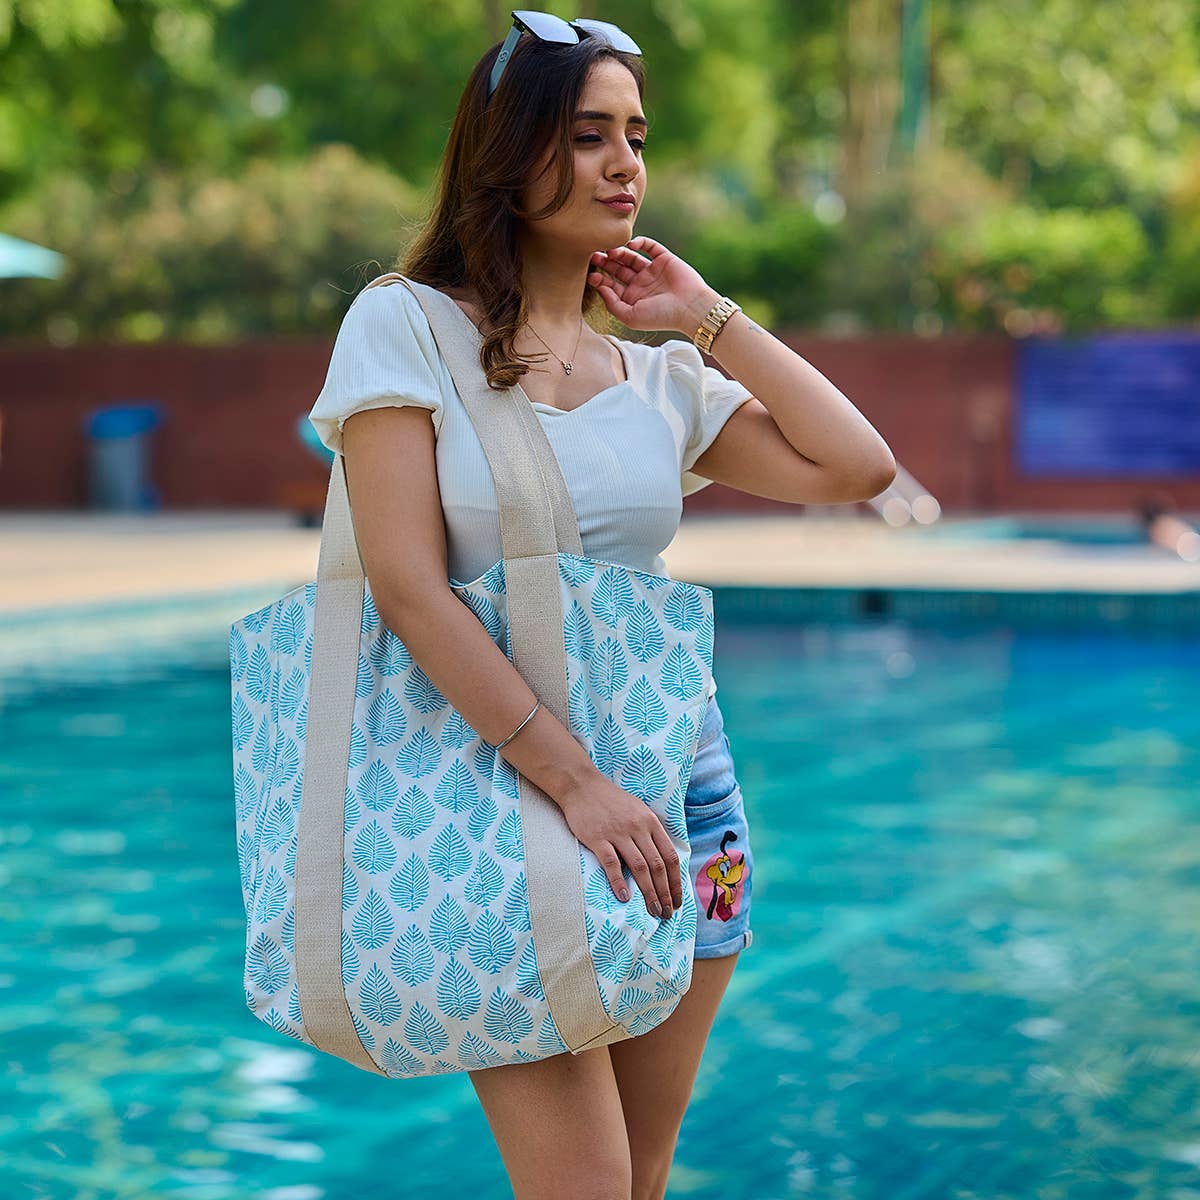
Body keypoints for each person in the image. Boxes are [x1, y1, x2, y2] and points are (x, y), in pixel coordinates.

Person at [307, 13, 895, 1199]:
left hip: (687, 807)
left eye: (636, 135)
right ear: (508, 152)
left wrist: (707, 316)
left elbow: (857, 466)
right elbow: (408, 588)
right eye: (587, 136)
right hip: (510, 798)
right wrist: (575, 783)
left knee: (642, 1177)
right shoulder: (405, 327)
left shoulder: (656, 380)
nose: (624, 163)